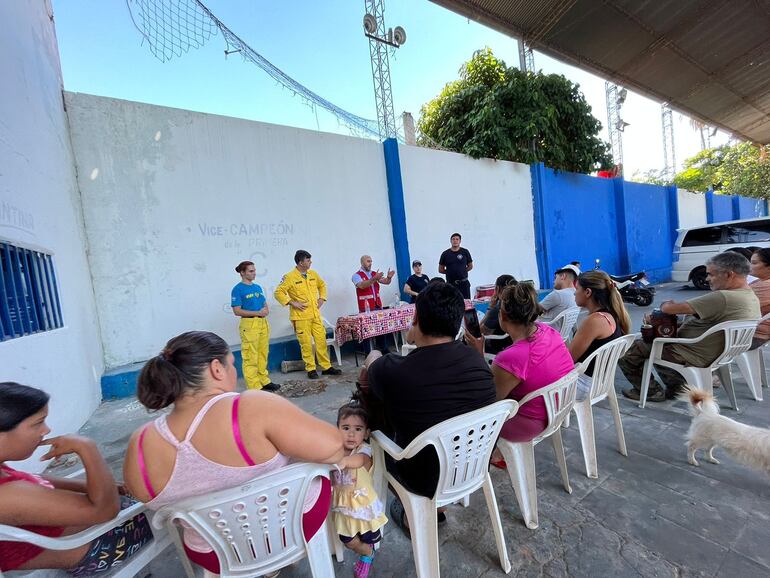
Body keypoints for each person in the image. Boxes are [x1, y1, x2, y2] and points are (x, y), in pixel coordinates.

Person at [123, 331, 345, 575]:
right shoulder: (249, 407)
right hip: (293, 528)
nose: (234, 373)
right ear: (216, 368)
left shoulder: (140, 443)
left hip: (214, 554)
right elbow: (334, 447)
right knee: (321, 469)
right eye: (232, 364)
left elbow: (144, 497)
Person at [359, 282, 495, 534]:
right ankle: (440, 507)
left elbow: (370, 367)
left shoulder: (394, 369)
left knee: (373, 436)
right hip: (473, 464)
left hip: (424, 480)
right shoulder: (477, 360)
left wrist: (374, 355)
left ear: (416, 318)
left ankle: (413, 518)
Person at [0, 382, 153, 575]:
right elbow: (106, 511)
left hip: (83, 534)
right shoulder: (7, 496)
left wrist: (90, 486)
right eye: (38, 423)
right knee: (168, 510)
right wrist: (86, 448)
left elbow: (30, 479)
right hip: (99, 549)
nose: (46, 430)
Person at [619, 251, 761, 402]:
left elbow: (668, 309)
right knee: (661, 338)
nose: (707, 279)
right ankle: (678, 388)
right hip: (716, 353)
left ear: (728, 274)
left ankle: (652, 392)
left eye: (711, 274)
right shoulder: (749, 295)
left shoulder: (722, 297)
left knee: (628, 351)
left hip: (691, 352)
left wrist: (666, 304)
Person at [466, 284, 574, 468]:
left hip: (531, 422)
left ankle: (480, 458)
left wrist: (478, 356)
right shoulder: (549, 332)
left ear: (503, 316)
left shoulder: (512, 358)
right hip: (558, 408)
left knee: (465, 411)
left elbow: (488, 401)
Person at [331, 398, 387, 578]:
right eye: (345, 428)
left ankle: (367, 554)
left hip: (364, 509)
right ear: (337, 429)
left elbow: (357, 462)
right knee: (348, 541)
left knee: (368, 538)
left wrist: (341, 461)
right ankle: (365, 551)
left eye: (358, 429)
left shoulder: (364, 451)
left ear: (366, 433)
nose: (351, 434)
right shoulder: (335, 449)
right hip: (344, 509)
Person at [274, 250, 342, 379]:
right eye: (308, 260)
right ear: (300, 262)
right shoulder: (290, 277)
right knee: (306, 344)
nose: (311, 262)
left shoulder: (313, 274)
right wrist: (292, 302)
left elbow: (322, 285)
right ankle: (311, 369)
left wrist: (322, 298)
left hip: (315, 314)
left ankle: (326, 367)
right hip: (300, 317)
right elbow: (278, 293)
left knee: (321, 341)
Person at [568, 271, 631, 400]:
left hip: (582, 385)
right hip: (598, 383)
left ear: (588, 292)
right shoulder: (611, 315)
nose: (574, 293)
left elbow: (568, 359)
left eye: (577, 289)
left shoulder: (594, 321)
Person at [231, 261, 280, 392]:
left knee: (263, 353)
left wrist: (265, 310)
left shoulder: (257, 287)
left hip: (262, 323)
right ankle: (254, 386)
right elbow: (237, 310)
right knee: (250, 355)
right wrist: (256, 313)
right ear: (242, 273)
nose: (254, 273)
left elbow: (264, 304)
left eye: (254, 270)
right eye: (251, 271)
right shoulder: (238, 289)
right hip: (249, 324)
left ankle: (264, 380)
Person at [352, 254, 395, 353]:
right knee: (367, 330)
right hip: (365, 308)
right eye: (368, 261)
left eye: (371, 261)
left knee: (381, 328)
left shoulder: (374, 274)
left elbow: (385, 282)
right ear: (362, 263)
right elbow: (362, 286)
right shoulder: (356, 275)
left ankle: (383, 349)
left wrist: (389, 278)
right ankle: (368, 352)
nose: (370, 263)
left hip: (377, 305)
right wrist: (374, 279)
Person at [479, 274, 516, 355]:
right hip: (516, 342)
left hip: (500, 346)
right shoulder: (520, 304)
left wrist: (490, 308)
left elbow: (481, 331)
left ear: (497, 289)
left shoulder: (498, 309)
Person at [438, 233, 473, 299]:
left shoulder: (465, 252)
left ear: (460, 241)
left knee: (466, 304)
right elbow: (440, 269)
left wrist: (462, 271)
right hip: (451, 285)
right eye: (453, 239)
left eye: (457, 239)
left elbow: (470, 266)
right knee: (451, 305)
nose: (455, 241)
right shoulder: (445, 254)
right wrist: (450, 272)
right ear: (450, 241)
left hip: (464, 283)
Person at [749, 248, 770, 348]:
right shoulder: (758, 282)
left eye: (754, 263)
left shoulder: (764, 286)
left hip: (754, 335)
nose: (749, 266)